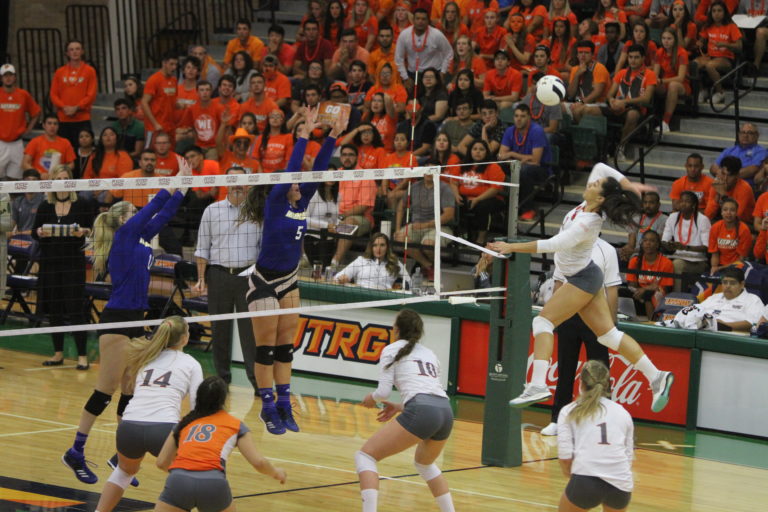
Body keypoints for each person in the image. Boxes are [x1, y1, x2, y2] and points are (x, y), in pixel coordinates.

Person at [489, 163, 675, 413]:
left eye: (596, 185)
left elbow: (554, 243)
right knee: (608, 336)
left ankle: (537, 384)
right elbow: (600, 166)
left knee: (542, 323)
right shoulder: (588, 204)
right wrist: (629, 185)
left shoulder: (588, 222)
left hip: (581, 279)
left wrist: (511, 247)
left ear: (599, 198)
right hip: (585, 275)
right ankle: (657, 377)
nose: (591, 182)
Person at [61, 170, 188, 484]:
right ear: (122, 221)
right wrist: (170, 183)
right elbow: (151, 208)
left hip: (136, 319)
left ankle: (122, 457)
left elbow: (166, 212)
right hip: (117, 320)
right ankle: (75, 451)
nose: (139, 215)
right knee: (105, 390)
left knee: (131, 391)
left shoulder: (143, 237)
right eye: (132, 213)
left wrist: (183, 186)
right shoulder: (125, 236)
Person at [242, 109, 344, 435]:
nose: (299, 183)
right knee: (267, 348)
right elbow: (293, 169)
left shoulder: (302, 203)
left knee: (286, 348)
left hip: (288, 279)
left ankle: (285, 405)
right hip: (263, 281)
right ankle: (267, 407)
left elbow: (318, 170)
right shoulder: (275, 202)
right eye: (294, 182)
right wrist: (303, 136)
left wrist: (332, 137)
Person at [94, 316, 203, 512]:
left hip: (128, 427)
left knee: (124, 472)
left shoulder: (146, 358)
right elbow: (198, 407)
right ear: (185, 338)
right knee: (188, 477)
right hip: (163, 429)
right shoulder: (191, 363)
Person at [357, 309, 455, 512]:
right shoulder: (430, 354)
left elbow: (383, 392)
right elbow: (430, 392)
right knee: (425, 465)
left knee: (365, 457)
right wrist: (400, 407)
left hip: (422, 410)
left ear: (397, 329)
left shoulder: (391, 349)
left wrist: (371, 399)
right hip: (445, 411)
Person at [153, 376, 287, 512]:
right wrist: (276, 473)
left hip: (178, 480)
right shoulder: (235, 425)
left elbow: (161, 462)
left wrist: (183, 477)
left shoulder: (184, 422)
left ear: (198, 396)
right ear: (224, 400)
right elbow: (259, 462)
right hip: (213, 482)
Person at [193, 167, 261, 393]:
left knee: (250, 334)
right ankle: (221, 380)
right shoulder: (212, 211)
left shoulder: (257, 212)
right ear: (225, 183)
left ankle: (257, 382)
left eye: (241, 180)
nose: (237, 184)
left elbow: (263, 250)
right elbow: (202, 248)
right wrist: (201, 278)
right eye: (232, 180)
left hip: (248, 277)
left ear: (248, 184)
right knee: (219, 330)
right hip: (219, 275)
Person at [32, 165, 92, 369]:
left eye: (66, 178)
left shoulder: (81, 204)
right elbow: (34, 232)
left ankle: (82, 356)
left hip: (73, 264)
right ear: (52, 181)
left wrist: (83, 231)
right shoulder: (45, 206)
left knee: (75, 310)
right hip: (50, 264)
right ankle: (58, 354)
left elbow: (91, 230)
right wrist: (40, 232)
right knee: (54, 310)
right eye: (58, 178)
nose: (62, 182)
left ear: (71, 181)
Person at [556, 360, 634, 512]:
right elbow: (628, 456)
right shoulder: (623, 412)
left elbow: (565, 457)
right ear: (608, 383)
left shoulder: (569, 410)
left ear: (581, 383)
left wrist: (572, 476)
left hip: (586, 480)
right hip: (621, 484)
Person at [393, 172, 455, 280]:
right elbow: (401, 206)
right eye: (427, 169)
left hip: (439, 227)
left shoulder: (445, 188)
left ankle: (432, 267)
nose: (429, 173)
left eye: (432, 170)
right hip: (416, 226)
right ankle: (428, 265)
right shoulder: (414, 187)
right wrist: (397, 228)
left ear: (438, 171)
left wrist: (426, 225)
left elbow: (448, 215)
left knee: (428, 244)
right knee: (400, 238)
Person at [498, 104, 552, 221]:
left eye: (522, 116)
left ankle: (528, 209)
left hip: (542, 169)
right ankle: (502, 206)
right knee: (498, 166)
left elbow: (535, 160)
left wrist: (512, 154)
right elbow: (501, 155)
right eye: (516, 116)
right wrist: (520, 159)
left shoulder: (536, 131)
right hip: (519, 165)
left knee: (524, 171)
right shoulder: (510, 130)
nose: (519, 119)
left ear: (529, 118)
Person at [449, 139, 506, 245]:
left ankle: (481, 238)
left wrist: (477, 199)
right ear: (470, 151)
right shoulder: (461, 165)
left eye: (481, 149)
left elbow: (495, 188)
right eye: (475, 149)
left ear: (486, 152)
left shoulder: (493, 166)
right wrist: (456, 195)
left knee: (482, 206)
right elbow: (453, 182)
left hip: (489, 199)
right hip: (465, 197)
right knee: (453, 202)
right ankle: (460, 235)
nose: (478, 152)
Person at [331, 144, 378, 265]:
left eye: (351, 155)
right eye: (344, 155)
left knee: (348, 223)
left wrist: (341, 217)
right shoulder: (335, 175)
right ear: (340, 158)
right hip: (334, 216)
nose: (347, 158)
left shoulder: (365, 176)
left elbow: (363, 207)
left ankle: (334, 263)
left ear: (357, 158)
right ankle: (304, 259)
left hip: (361, 218)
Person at [50, 40, 98, 151]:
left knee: (84, 151)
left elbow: (91, 94)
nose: (75, 52)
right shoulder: (60, 71)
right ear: (67, 53)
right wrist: (64, 107)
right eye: (71, 49)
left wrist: (77, 107)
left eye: (77, 49)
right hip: (63, 118)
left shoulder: (89, 71)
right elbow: (53, 94)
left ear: (82, 51)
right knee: (64, 151)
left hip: (82, 118)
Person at [661, 190, 712, 292]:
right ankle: (661, 294)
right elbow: (664, 240)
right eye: (681, 201)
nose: (683, 203)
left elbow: (707, 247)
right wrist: (669, 246)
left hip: (698, 261)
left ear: (694, 205)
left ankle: (677, 296)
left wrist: (686, 247)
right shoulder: (672, 217)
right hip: (676, 256)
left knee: (677, 264)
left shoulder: (703, 220)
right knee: (661, 262)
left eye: (687, 201)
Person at [395, 8, 454, 91]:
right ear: (413, 20)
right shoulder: (404, 35)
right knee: (413, 101)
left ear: (428, 21)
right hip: (413, 74)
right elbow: (398, 58)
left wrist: (443, 72)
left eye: (423, 19)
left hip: (435, 72)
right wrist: (405, 77)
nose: (420, 21)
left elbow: (449, 53)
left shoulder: (437, 35)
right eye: (418, 19)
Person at [696, 1, 742, 105]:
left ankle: (720, 92)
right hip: (710, 56)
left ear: (724, 12)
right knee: (694, 64)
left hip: (726, 58)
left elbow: (739, 47)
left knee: (710, 66)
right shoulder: (708, 26)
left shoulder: (731, 27)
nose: (716, 14)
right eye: (714, 11)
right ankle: (702, 90)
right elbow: (702, 40)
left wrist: (726, 45)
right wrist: (700, 43)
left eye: (719, 11)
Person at [626, 229, 675, 319]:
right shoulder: (635, 261)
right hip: (638, 293)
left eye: (652, 241)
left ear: (657, 245)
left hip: (658, 296)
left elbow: (666, 288)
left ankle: (652, 324)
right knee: (620, 291)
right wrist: (640, 289)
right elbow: (631, 283)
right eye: (645, 240)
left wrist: (646, 289)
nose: (648, 243)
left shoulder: (667, 263)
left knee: (648, 294)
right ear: (641, 243)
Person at [335, 232, 411, 289]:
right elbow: (337, 277)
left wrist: (401, 286)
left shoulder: (395, 262)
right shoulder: (361, 261)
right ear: (371, 247)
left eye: (382, 245)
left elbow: (409, 282)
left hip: (384, 298)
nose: (378, 249)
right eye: (375, 245)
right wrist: (342, 279)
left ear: (387, 247)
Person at [698, 266, 764, 331]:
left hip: (732, 336)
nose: (728, 286)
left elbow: (754, 323)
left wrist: (723, 326)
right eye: (725, 282)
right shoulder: (714, 297)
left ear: (742, 284)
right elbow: (695, 312)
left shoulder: (753, 300)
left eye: (732, 283)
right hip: (705, 332)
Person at [653, 28, 690, 133]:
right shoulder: (659, 52)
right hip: (664, 83)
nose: (666, 41)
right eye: (664, 38)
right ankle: (646, 118)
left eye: (669, 38)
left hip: (682, 85)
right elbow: (655, 75)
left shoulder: (682, 53)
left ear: (675, 40)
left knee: (673, 85)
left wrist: (662, 81)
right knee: (651, 84)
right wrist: (656, 81)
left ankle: (665, 122)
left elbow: (681, 78)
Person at [566, 40, 612, 124]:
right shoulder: (575, 69)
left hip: (599, 104)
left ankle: (582, 136)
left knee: (578, 110)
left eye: (586, 53)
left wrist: (581, 103)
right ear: (577, 55)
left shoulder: (599, 68)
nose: (583, 55)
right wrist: (577, 75)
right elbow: (570, 94)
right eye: (580, 52)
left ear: (592, 55)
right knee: (558, 108)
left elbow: (597, 93)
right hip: (579, 103)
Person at [141, 52, 179, 146]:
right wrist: (155, 124)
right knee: (151, 155)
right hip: (156, 127)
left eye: (176, 64)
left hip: (169, 126)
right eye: (171, 64)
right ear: (164, 63)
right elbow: (144, 102)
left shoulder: (174, 80)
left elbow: (171, 101)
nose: (174, 67)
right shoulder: (154, 80)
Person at [619, 190, 668, 262]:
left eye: (651, 203)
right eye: (645, 202)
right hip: (636, 252)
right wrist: (625, 251)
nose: (647, 205)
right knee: (616, 255)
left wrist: (633, 251)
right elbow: (631, 244)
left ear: (658, 205)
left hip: (653, 253)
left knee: (635, 259)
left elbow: (656, 246)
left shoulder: (664, 220)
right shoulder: (636, 218)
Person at [704, 156, 755, 223]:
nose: (725, 179)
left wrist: (724, 195)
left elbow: (734, 217)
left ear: (737, 175)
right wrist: (717, 197)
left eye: (730, 175)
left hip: (744, 223)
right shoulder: (717, 184)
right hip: (722, 220)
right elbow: (708, 215)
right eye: (723, 173)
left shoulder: (745, 188)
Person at [709, 197, 752, 274]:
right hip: (720, 266)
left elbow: (741, 259)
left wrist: (721, 268)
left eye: (732, 210)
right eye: (725, 210)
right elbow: (714, 254)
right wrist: (714, 267)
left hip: (738, 267)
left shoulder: (744, 229)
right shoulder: (715, 227)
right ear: (721, 212)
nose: (728, 213)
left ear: (736, 212)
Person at [11, 169, 44, 234]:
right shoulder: (17, 201)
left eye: (34, 180)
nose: (30, 183)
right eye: (28, 180)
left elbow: (43, 228)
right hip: (20, 239)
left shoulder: (43, 201)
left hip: (37, 238)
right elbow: (12, 224)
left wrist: (21, 233)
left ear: (38, 182)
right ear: (23, 182)